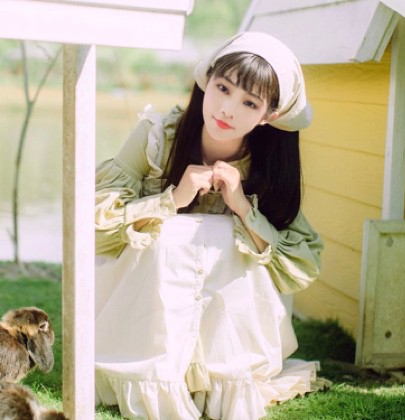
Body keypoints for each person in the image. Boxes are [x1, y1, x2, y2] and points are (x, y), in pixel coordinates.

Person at [94, 31, 329, 420]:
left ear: (268, 115)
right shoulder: (157, 138)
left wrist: (242, 208)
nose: (227, 109)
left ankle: (220, 379)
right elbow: (93, 227)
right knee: (172, 233)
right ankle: (156, 374)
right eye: (223, 88)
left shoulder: (267, 168)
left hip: (227, 334)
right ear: (207, 81)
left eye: (249, 102)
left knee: (226, 238)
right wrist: (171, 200)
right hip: (143, 314)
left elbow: (300, 266)